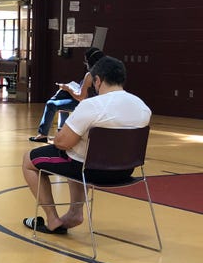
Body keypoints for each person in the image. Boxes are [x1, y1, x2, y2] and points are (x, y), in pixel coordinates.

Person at [21, 56, 151, 234]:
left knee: (30, 160)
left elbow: (61, 143)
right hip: (125, 171)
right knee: (77, 154)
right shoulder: (142, 107)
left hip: (90, 171)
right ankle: (74, 212)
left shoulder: (92, 105)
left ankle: (53, 219)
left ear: (97, 81)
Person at [28, 47, 105, 142]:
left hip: (85, 105)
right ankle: (61, 133)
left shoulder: (90, 75)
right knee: (61, 100)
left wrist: (67, 88)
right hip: (96, 103)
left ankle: (42, 135)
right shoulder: (106, 73)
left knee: (51, 104)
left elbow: (81, 97)